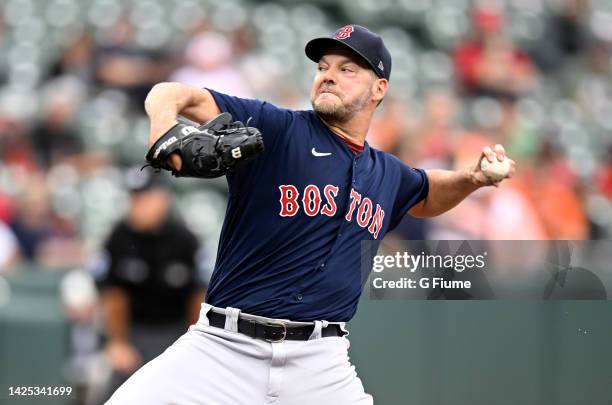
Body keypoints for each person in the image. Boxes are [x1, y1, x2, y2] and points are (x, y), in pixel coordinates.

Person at [107, 25, 515, 404]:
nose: (328, 75)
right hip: (224, 348)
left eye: (346, 68)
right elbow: (170, 93)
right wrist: (162, 128)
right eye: (322, 67)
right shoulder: (278, 129)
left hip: (320, 363)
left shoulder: (389, 174)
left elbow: (427, 193)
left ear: (379, 89)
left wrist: (473, 178)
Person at [92, 167, 206, 402]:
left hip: (176, 332)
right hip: (134, 331)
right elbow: (112, 295)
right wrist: (117, 343)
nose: (137, 205)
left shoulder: (185, 239)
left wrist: (197, 344)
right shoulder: (119, 236)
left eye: (144, 198)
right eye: (133, 198)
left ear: (162, 198)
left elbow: (198, 295)